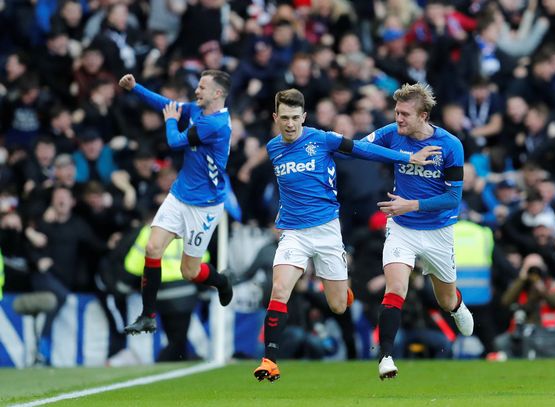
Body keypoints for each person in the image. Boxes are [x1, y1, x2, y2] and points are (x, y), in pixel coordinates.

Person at [253, 88, 439, 382]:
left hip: (327, 231)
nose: (289, 124)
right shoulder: (273, 148)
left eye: (294, 118)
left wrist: (406, 157)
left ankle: (342, 288)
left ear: (303, 117)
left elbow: (365, 150)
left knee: (338, 305)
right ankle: (269, 360)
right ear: (276, 117)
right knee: (280, 290)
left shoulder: (323, 140)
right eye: (284, 118)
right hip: (293, 233)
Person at [366, 83, 473, 379]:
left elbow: (453, 199)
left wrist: (411, 204)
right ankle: (386, 357)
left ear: (423, 116)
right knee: (396, 288)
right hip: (402, 228)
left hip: (438, 231)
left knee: (445, 300)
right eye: (396, 112)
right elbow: (361, 149)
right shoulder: (391, 134)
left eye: (405, 114)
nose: (398, 118)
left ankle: (457, 305)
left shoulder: (450, 145)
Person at [117, 70, 233, 334]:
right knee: (152, 248)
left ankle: (222, 281)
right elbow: (166, 104)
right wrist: (135, 88)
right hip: (179, 195)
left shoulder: (215, 125)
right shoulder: (197, 110)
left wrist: (170, 121)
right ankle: (147, 315)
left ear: (217, 93)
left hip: (204, 206)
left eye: (202, 87)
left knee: (189, 271)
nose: (196, 91)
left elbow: (175, 141)